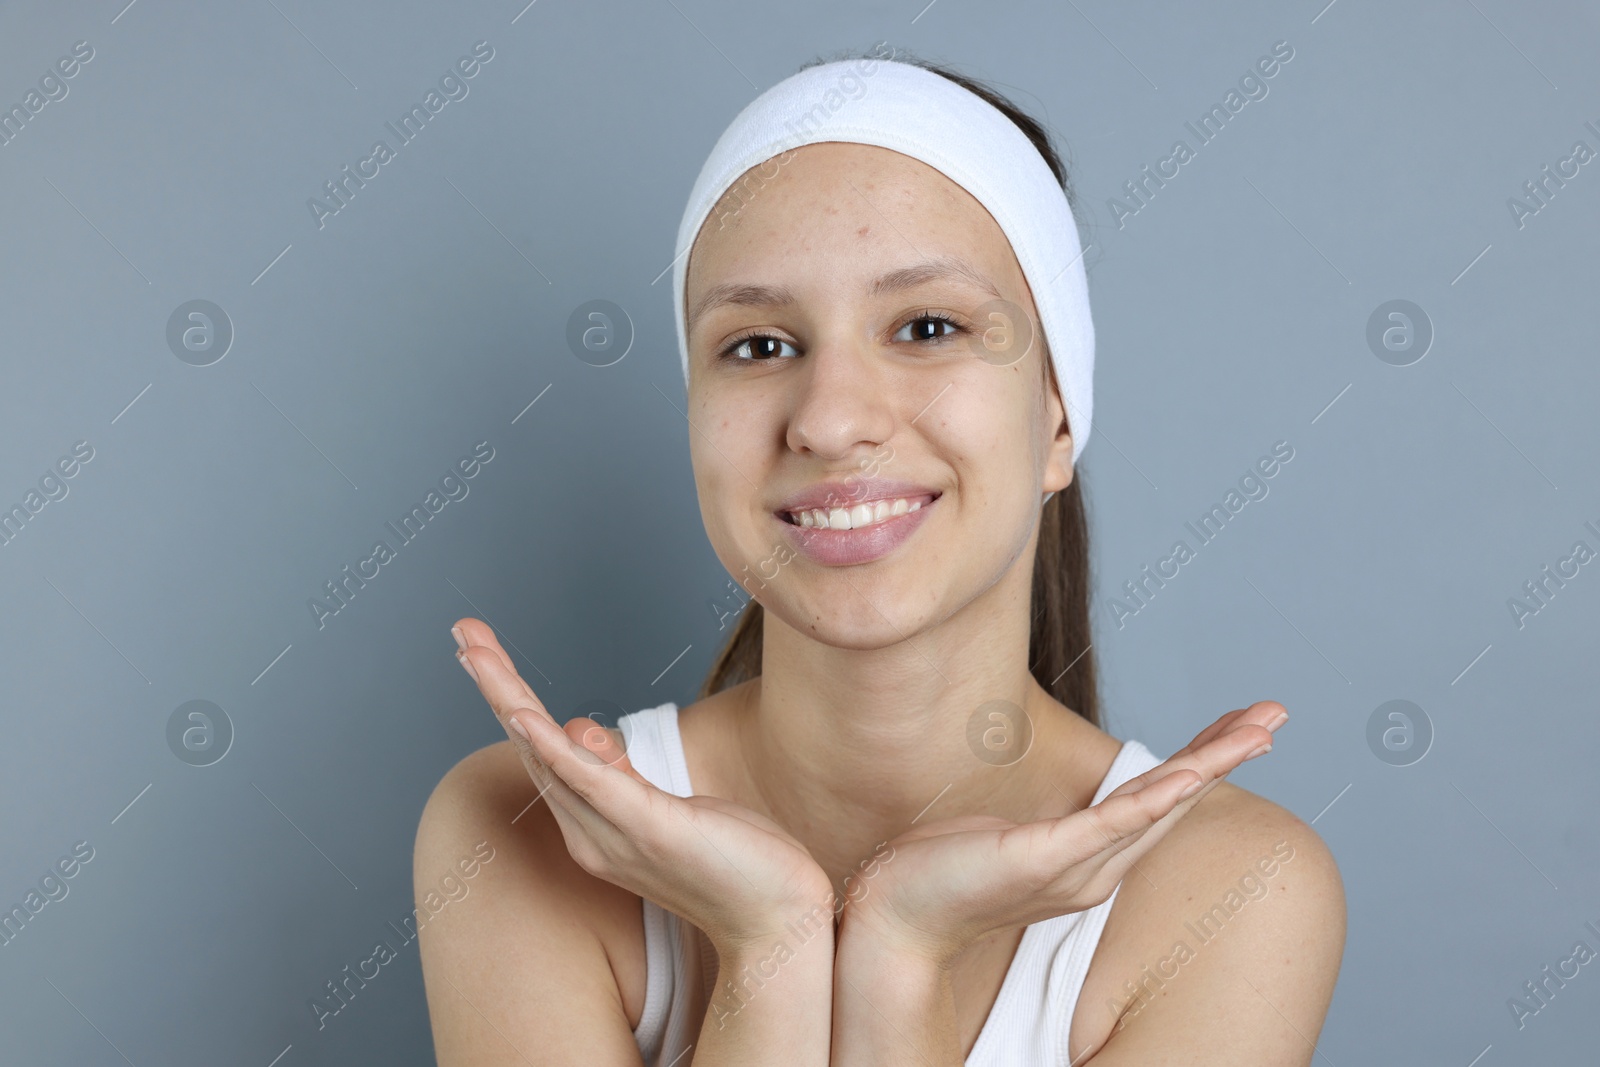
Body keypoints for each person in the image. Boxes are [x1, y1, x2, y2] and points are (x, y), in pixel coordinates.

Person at [414, 46, 1345, 1066]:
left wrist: (900, 947)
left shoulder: (1236, 891)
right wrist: (770, 936)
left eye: (927, 325)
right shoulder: (519, 829)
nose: (830, 417)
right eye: (759, 344)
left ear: (1055, 420)